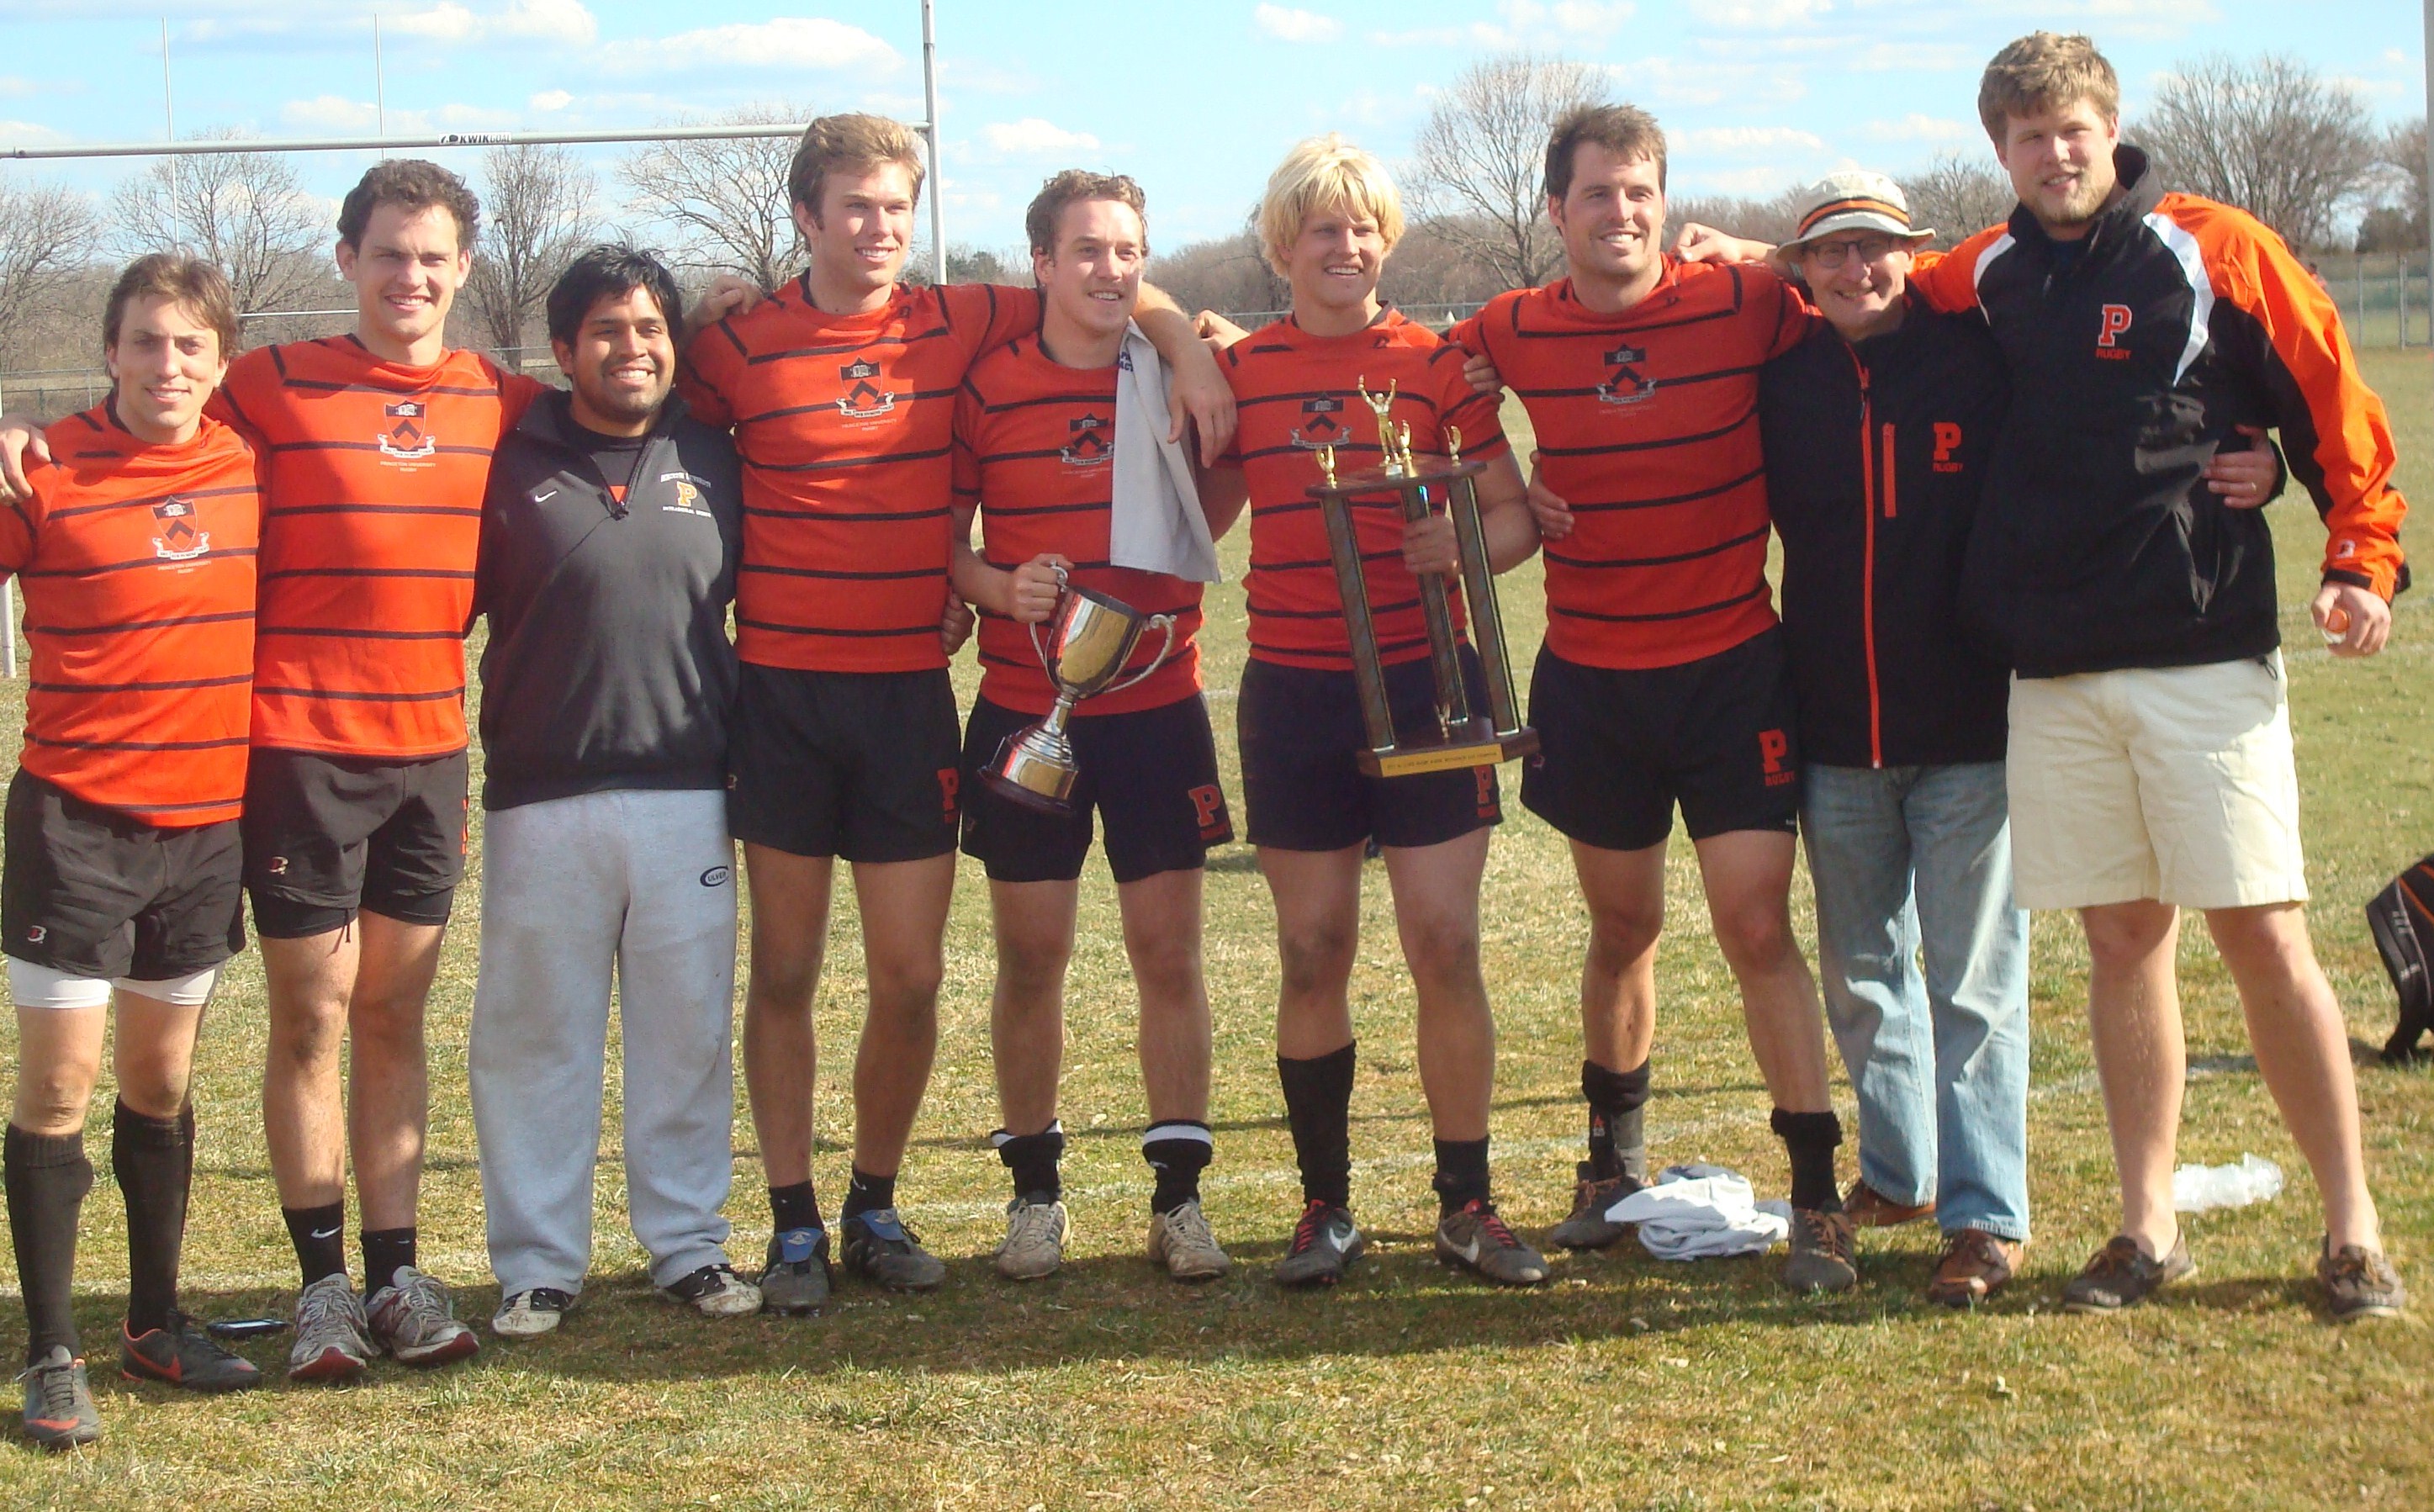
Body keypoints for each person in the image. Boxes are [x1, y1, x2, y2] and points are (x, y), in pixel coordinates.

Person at [1691, 32, 2410, 1319]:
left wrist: (2357, 552)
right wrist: (1736, 254)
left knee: (2261, 933)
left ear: (2107, 128)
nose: (2054, 153)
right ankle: (2144, 1229)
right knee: (2120, 940)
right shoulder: (1994, 268)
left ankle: (2350, 1228)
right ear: (2001, 153)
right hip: (2055, 672)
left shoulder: (2209, 245)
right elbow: (1873, 275)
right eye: (2028, 138)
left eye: (2071, 129)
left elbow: (2327, 390)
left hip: (2199, 650)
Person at [678, 114, 1236, 1311]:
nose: (880, 230)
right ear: (805, 217)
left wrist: (1183, 341)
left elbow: (1119, 284)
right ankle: (791, 1219)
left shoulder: (958, 316)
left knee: (913, 973)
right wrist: (689, 309)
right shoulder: (736, 341)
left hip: (911, 700)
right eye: (857, 208)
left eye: (896, 208)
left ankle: (876, 1202)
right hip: (779, 697)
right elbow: (635, 376)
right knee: (781, 968)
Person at [1449, 105, 1857, 1290]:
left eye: (1639, 191)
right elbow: (1404, 362)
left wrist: (1773, 253)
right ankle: (1608, 1163)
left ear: (1664, 201)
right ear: (1553, 211)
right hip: (1590, 677)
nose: (1619, 213)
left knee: (1751, 923)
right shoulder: (1510, 328)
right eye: (1595, 194)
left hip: (1731, 669)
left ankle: (1816, 1192)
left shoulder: (1740, 301)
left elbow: (1876, 283)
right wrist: (1193, 326)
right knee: (1620, 925)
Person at [1193, 135, 1549, 1288]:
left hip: (1426, 681)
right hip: (1294, 689)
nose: (1340, 247)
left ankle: (1466, 1202)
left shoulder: (1436, 364)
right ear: (1280, 243)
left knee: (1443, 943)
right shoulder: (1243, 368)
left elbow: (1507, 517)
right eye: (1317, 228)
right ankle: (1322, 1203)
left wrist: (1463, 550)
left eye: (1359, 228)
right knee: (1311, 949)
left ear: (1384, 239)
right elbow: (1194, 514)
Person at [949, 172, 1241, 1282]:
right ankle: (1034, 1193)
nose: (1110, 270)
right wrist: (995, 586)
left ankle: (1178, 1198)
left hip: (1158, 711)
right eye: (1086, 251)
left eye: (1127, 250)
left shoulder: (1169, 362)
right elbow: (950, 544)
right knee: (1030, 958)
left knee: (1167, 953)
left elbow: (1230, 478)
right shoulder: (989, 384)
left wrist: (1188, 345)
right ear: (1040, 263)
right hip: (1029, 708)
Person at [466, 246, 760, 1337]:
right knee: (536, 1033)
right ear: (562, 348)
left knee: (683, 1033)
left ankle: (686, 1243)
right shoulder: (508, 451)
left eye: (647, 328)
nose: (629, 348)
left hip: (690, 786)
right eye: (606, 331)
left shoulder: (716, 450)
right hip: (541, 793)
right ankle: (539, 1260)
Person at [3, 256, 264, 1446]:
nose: (170, 366)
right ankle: (51, 1350)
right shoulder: (44, 469)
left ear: (222, 361)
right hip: (75, 826)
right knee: (56, 1086)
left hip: (205, 829)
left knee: (157, 1085)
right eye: (147, 343)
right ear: (110, 351)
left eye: (191, 347)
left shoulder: (251, 460)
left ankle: (154, 1320)